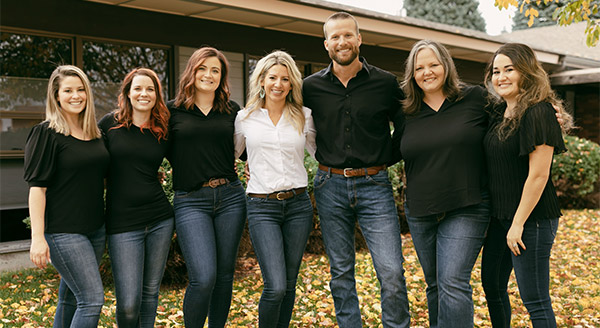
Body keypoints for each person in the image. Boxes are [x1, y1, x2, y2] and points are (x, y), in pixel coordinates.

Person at [302, 12, 410, 328]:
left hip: (375, 185)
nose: (342, 42)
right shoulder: (310, 87)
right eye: (335, 37)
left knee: (391, 270)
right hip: (329, 185)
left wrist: (385, 160)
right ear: (326, 44)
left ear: (359, 39)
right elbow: (287, 121)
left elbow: (407, 123)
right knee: (341, 271)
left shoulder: (385, 83)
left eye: (348, 35)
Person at [399, 40, 491, 328]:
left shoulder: (475, 98)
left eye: (433, 65)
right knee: (435, 285)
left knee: (452, 281)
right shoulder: (406, 111)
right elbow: (384, 149)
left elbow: (511, 121)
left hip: (467, 205)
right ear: (412, 75)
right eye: (419, 68)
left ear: (446, 66)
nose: (427, 72)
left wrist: (548, 115)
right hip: (421, 209)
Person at [481, 43, 572, 328]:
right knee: (493, 287)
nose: (501, 77)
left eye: (510, 69)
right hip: (500, 218)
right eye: (496, 71)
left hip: (530, 220)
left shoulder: (540, 112)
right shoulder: (497, 113)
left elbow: (538, 175)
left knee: (535, 299)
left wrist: (518, 224)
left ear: (527, 72)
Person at [234, 50, 316, 328]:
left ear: (292, 83)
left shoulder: (304, 116)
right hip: (262, 207)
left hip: (298, 206)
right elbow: (231, 155)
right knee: (276, 286)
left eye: (284, 79)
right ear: (261, 81)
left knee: (290, 283)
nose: (278, 84)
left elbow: (320, 155)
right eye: (272, 78)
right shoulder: (244, 118)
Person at [24, 65, 109, 328]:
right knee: (92, 300)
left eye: (81, 89)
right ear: (56, 96)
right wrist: (37, 238)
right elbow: (37, 188)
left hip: (95, 228)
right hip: (63, 231)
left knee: (71, 297)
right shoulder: (46, 133)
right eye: (68, 90)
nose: (76, 95)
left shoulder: (95, 134)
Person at [167, 47, 246, 328]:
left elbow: (251, 149)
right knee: (203, 277)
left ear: (222, 76)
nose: (208, 75)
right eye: (202, 68)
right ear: (192, 71)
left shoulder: (231, 110)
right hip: (191, 200)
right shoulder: (171, 110)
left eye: (215, 70)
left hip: (230, 197)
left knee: (224, 275)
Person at [98, 68, 174, 327]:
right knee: (129, 303)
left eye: (150, 89)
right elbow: (89, 162)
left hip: (160, 219)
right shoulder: (109, 124)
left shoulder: (163, 128)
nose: (144, 93)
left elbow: (190, 156)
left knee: (151, 293)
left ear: (157, 95)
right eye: (138, 88)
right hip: (122, 222)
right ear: (128, 93)